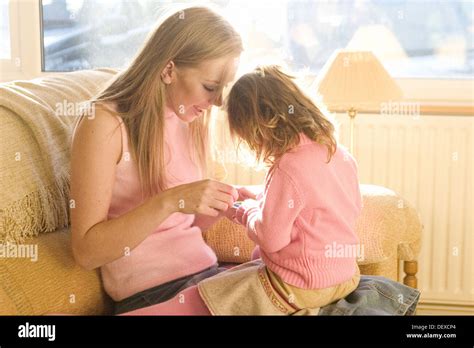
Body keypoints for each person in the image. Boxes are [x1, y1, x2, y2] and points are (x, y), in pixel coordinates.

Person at [69, 6, 252, 315]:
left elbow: (185, 224)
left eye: (224, 88)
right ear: (168, 71)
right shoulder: (104, 122)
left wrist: (222, 205)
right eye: (210, 87)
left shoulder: (190, 119)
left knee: (346, 292)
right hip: (155, 297)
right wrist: (171, 200)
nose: (218, 102)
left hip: (205, 278)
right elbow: (86, 252)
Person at [227, 65, 362, 313]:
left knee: (218, 293)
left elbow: (271, 239)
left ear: (260, 127)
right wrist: (261, 199)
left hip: (303, 287)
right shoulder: (339, 154)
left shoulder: (287, 167)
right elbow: (317, 208)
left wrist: (245, 211)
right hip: (346, 277)